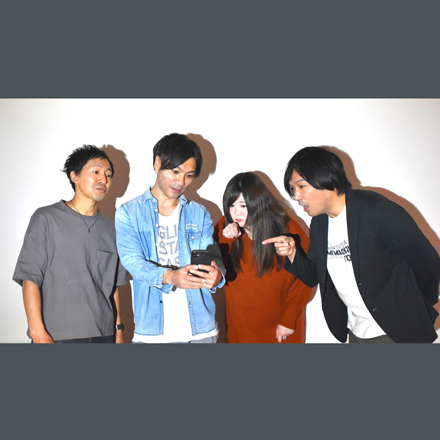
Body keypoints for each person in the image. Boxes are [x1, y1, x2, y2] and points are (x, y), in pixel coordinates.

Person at [263, 146, 440, 343]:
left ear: (326, 179)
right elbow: (314, 276)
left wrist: (421, 305)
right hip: (356, 331)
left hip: (396, 331)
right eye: (293, 189)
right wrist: (292, 252)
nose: (296, 196)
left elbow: (427, 261)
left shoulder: (377, 211)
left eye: (301, 186)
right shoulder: (320, 223)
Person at [115, 133, 225, 343]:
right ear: (157, 163)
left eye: (189, 175)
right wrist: (170, 277)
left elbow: (211, 255)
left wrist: (216, 275)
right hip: (152, 334)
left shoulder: (199, 213)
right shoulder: (129, 213)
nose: (181, 182)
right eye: (175, 171)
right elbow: (132, 261)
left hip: (201, 331)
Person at [13, 145, 129, 343]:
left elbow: (113, 285)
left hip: (104, 335)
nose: (103, 179)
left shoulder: (112, 228)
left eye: (108, 174)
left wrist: (118, 331)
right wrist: (37, 332)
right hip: (57, 336)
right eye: (96, 171)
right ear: (74, 176)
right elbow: (29, 277)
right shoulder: (46, 218)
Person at [214, 172, 313, 343]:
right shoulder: (224, 226)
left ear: (258, 203)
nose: (236, 212)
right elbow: (214, 272)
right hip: (240, 325)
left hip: (281, 326)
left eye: (243, 205)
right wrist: (227, 239)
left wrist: (289, 319)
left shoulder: (286, 227)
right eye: (232, 205)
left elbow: (307, 278)